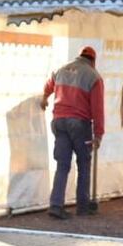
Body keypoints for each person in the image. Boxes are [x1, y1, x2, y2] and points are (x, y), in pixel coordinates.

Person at [42, 45, 104, 219]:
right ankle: (83, 207)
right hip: (79, 123)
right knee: (84, 163)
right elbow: (97, 109)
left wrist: (44, 98)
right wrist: (98, 134)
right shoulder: (94, 76)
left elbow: (49, 84)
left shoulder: (61, 69)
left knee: (62, 165)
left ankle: (56, 205)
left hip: (58, 121)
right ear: (93, 60)